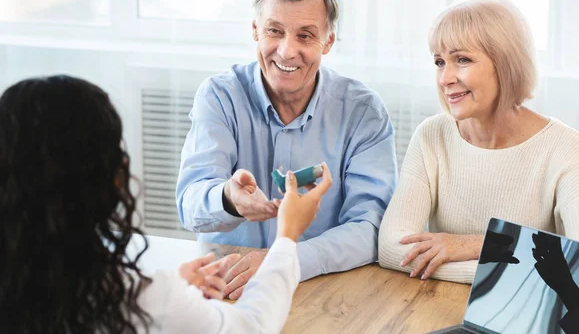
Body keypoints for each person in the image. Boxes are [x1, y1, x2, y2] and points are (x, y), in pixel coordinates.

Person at [0, 75, 332, 333]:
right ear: (105, 177)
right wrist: (287, 237)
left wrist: (172, 286)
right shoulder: (139, 302)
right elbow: (253, 326)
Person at [176, 0, 398, 299]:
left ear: (328, 42)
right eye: (274, 31)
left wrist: (284, 261)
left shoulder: (363, 112)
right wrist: (228, 199)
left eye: (305, 35)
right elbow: (190, 203)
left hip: (324, 291)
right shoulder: (219, 96)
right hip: (227, 288)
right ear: (255, 31)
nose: (286, 50)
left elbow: (371, 228)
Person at [378, 0, 579, 284]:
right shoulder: (431, 135)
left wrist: (476, 245)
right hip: (438, 304)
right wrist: (505, 273)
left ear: (505, 64)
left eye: (462, 59)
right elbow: (391, 248)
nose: (445, 78)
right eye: (439, 62)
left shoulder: (566, 147)